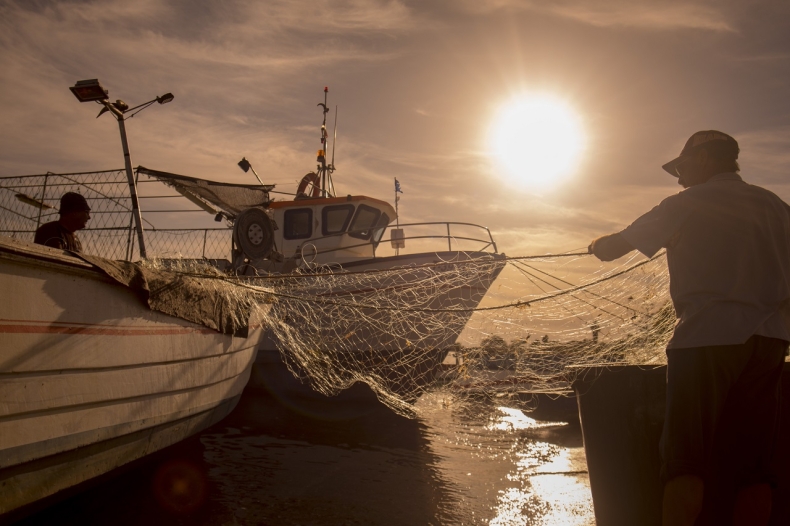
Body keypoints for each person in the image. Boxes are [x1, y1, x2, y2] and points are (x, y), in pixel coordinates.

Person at [588, 130, 790, 526]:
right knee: (755, 469)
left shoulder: (685, 204)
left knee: (684, 463)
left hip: (705, 340)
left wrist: (595, 244)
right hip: (769, 343)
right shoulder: (777, 207)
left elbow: (613, 248)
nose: (679, 178)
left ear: (703, 159)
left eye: (681, 168)